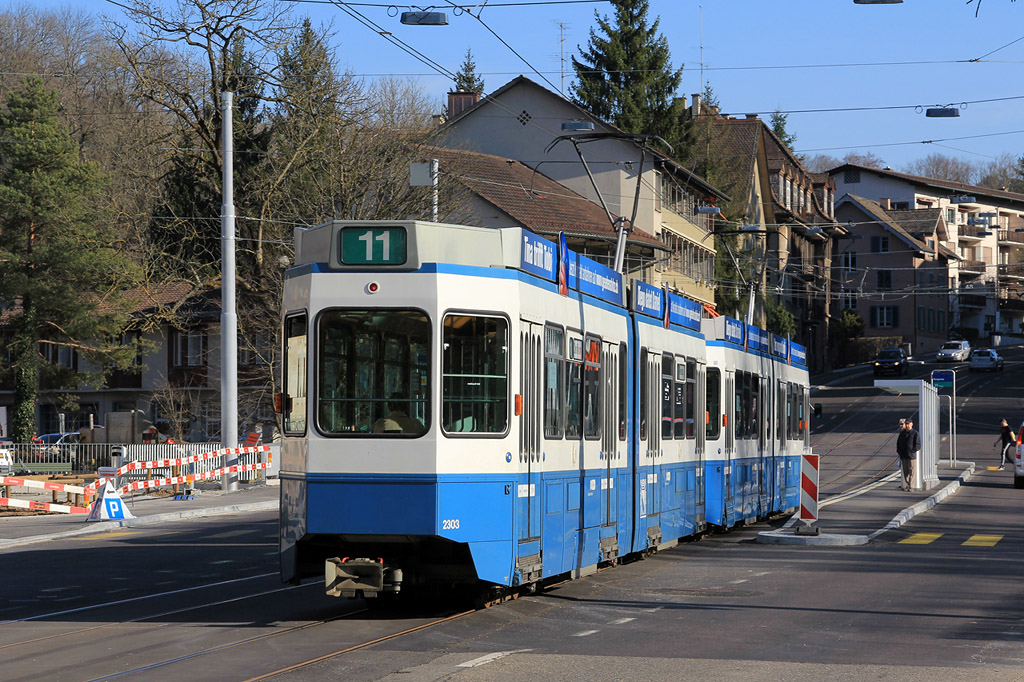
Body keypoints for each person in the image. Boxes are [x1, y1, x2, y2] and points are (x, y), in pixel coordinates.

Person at [896, 418, 920, 491]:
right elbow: (898, 443)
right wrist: (899, 451)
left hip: (911, 456)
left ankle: (911, 486)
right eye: (906, 424)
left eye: (908, 424)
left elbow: (918, 444)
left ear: (912, 424)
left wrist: (913, 450)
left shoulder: (915, 433)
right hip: (903, 455)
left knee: (912, 471)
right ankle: (907, 484)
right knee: (905, 472)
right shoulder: (902, 433)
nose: (907, 425)